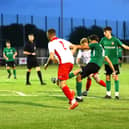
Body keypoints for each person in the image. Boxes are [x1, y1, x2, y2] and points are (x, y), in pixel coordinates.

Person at [44, 28, 82, 110]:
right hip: (71, 62)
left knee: (62, 84)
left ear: (49, 35)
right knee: (59, 81)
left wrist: (47, 64)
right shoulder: (62, 40)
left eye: (47, 34)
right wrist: (71, 54)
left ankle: (73, 101)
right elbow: (74, 46)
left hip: (64, 63)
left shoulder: (51, 43)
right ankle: (71, 92)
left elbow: (51, 57)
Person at [75, 34, 116, 101]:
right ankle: (86, 92)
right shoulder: (101, 48)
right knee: (94, 78)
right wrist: (114, 71)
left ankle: (80, 96)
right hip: (95, 66)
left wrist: (74, 46)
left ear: (92, 41)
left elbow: (86, 48)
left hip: (92, 65)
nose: (89, 43)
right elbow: (108, 60)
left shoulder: (94, 45)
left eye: (89, 41)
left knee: (79, 76)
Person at [100, 26, 129, 99]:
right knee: (107, 77)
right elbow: (99, 47)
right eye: (104, 32)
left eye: (105, 32)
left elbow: (124, 46)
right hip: (106, 62)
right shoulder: (103, 40)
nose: (104, 34)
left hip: (114, 62)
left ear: (109, 32)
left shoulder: (115, 40)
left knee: (115, 77)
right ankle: (108, 94)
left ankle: (116, 95)